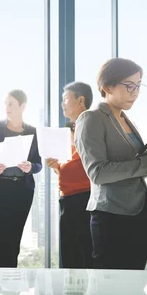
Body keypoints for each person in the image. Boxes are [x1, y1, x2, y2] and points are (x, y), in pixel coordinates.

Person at [75, 58, 147, 270]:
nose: (135, 91)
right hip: (112, 216)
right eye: (129, 85)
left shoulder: (127, 120)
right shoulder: (91, 118)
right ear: (107, 86)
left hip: (138, 212)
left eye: (139, 85)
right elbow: (97, 172)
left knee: (133, 283)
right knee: (111, 284)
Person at [0, 89, 42, 268]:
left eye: (11, 104)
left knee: (15, 236)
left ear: (22, 106)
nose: (6, 107)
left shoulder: (33, 131)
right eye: (5, 103)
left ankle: (10, 281)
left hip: (22, 190)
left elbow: (38, 164)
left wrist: (30, 167)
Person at [45, 82, 93, 269]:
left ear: (80, 100)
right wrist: (58, 167)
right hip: (69, 199)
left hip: (84, 199)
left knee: (82, 254)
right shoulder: (71, 129)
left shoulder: (90, 125)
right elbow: (75, 163)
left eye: (66, 99)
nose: (62, 104)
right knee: (70, 255)